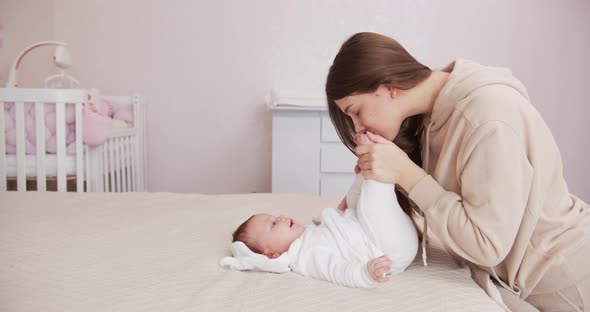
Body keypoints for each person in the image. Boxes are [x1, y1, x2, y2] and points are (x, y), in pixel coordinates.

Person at [325, 32, 590, 311]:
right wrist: (372, 191)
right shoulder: (431, 116)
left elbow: (487, 245)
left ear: (387, 86)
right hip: (527, 279)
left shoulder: (488, 117)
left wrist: (406, 174)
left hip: (565, 280)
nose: (357, 128)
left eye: (355, 111)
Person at [229, 132, 419, 288]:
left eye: (274, 217)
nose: (280, 218)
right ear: (272, 254)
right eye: (272, 224)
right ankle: (377, 169)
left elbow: (337, 235)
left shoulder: (307, 237)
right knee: (371, 205)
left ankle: (367, 170)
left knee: (353, 201)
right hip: (389, 250)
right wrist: (364, 274)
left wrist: (340, 216)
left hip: (378, 235)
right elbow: (336, 269)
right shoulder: (306, 256)